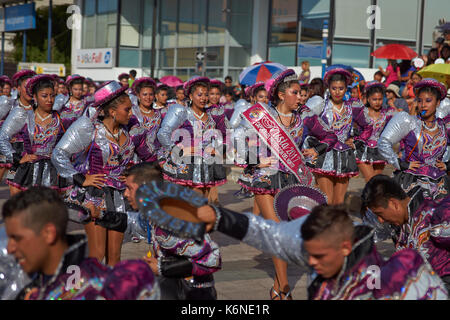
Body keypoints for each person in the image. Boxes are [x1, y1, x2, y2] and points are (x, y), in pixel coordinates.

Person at [155, 187, 448, 300]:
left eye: (319, 257)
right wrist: (218, 217)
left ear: (345, 249)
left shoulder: (402, 275)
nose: (311, 263)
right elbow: (267, 233)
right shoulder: (318, 250)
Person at [235, 69, 337, 300]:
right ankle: (284, 289)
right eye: (295, 93)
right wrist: (256, 160)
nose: (300, 97)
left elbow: (330, 137)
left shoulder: (306, 116)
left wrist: (316, 149)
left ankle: (276, 287)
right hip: (266, 179)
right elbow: (237, 141)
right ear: (281, 95)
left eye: (302, 93)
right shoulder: (262, 115)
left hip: (293, 179)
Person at [52, 80, 154, 267]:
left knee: (114, 256)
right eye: (127, 109)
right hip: (94, 196)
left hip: (120, 197)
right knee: (97, 254)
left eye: (131, 108)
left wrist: (135, 172)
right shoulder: (89, 127)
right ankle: (79, 291)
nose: (131, 113)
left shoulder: (132, 128)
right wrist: (81, 179)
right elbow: (59, 154)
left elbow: (149, 157)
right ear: (113, 112)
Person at [2, 186, 159, 300]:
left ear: (48, 234)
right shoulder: (13, 277)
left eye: (17, 238)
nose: (10, 248)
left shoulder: (103, 287)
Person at [123, 163, 221, 300]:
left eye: (129, 188)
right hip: (172, 285)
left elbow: (212, 260)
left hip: (192, 293)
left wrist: (161, 267)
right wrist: (100, 216)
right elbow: (136, 223)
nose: (125, 194)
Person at [361, 174, 450, 292]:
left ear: (394, 204)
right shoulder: (401, 226)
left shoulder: (435, 216)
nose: (381, 220)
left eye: (380, 214)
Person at [378, 78, 450, 201]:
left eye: (428, 101)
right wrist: (400, 163)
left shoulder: (444, 126)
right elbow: (383, 142)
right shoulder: (409, 122)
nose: (423, 105)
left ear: (438, 103)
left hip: (439, 184)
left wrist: (447, 165)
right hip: (411, 182)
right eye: (419, 101)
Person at [157, 76, 227, 198]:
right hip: (187, 166)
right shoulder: (182, 112)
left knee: (205, 204)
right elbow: (162, 134)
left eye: (206, 95)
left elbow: (225, 136)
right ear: (190, 96)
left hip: (208, 167)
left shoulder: (213, 114)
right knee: (193, 206)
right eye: (199, 95)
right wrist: (180, 150)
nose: (204, 98)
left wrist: (218, 149)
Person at [0, 75, 68, 196]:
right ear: (35, 97)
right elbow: (2, 137)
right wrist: (17, 157)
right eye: (44, 96)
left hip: (51, 171)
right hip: (26, 169)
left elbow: (69, 146)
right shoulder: (24, 116)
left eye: (52, 96)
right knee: (21, 207)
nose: (49, 100)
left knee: (47, 211)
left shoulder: (60, 118)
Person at [304, 68, 359, 204]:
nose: (337, 92)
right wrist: (309, 145)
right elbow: (304, 122)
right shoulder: (320, 104)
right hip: (324, 154)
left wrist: (356, 141)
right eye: (334, 88)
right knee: (327, 199)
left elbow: (370, 126)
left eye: (341, 88)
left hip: (345, 156)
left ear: (346, 88)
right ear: (328, 88)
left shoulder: (352, 106)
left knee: (339, 202)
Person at [352, 82, 396, 183]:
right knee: (370, 180)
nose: (377, 102)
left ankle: (368, 198)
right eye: (374, 99)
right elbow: (349, 125)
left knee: (376, 183)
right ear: (368, 99)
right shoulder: (361, 112)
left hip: (379, 151)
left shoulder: (387, 114)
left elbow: (400, 124)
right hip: (362, 150)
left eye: (380, 99)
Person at [127, 77, 161, 165]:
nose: (148, 98)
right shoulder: (132, 112)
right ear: (138, 95)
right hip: (134, 158)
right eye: (144, 94)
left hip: (154, 158)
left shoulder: (159, 114)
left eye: (151, 94)